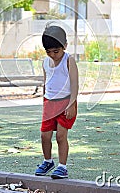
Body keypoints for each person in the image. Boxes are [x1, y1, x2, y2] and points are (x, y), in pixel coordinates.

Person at [34, 24, 79, 179]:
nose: (53, 55)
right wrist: (44, 101)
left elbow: (74, 84)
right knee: (44, 136)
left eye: (56, 51)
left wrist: (72, 103)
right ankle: (48, 161)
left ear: (65, 46)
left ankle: (62, 167)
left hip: (66, 102)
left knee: (61, 136)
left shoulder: (69, 60)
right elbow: (46, 83)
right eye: (49, 52)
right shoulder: (45, 62)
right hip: (49, 103)